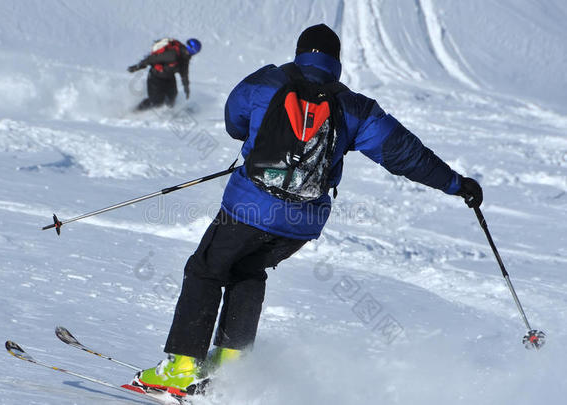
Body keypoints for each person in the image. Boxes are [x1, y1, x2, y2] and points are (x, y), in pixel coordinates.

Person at [131, 24, 482, 396]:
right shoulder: (356, 107)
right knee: (249, 270)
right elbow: (406, 155)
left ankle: (181, 368)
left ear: (299, 52)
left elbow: (234, 120)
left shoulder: (267, 81)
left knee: (206, 269)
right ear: (337, 62)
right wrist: (457, 184)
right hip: (301, 222)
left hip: (249, 207)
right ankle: (230, 366)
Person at [127, 38, 201, 111]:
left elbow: (184, 72)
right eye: (194, 52)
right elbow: (152, 59)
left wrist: (186, 86)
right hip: (156, 77)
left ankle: (168, 113)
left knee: (172, 97)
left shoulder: (185, 58)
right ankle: (136, 111)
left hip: (169, 77)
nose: (194, 54)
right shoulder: (172, 55)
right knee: (156, 101)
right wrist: (137, 67)